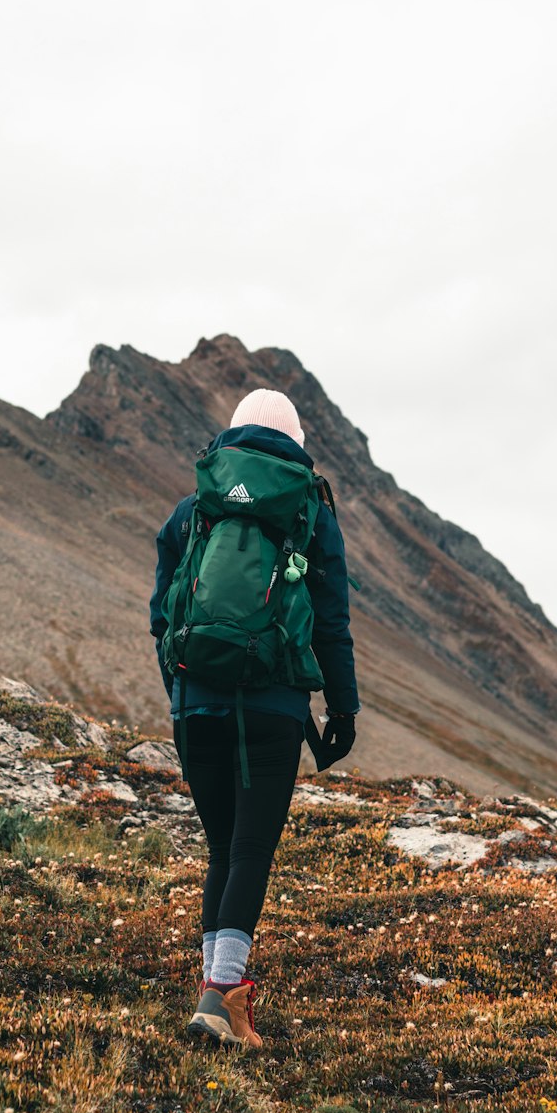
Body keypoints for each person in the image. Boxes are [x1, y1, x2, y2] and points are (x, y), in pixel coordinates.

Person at [149, 387, 359, 1049]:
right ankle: (220, 997)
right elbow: (331, 621)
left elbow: (162, 616)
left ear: (232, 436)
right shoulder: (308, 511)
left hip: (197, 703)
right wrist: (342, 708)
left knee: (223, 847)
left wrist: (181, 695)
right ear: (295, 442)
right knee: (250, 849)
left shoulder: (193, 510)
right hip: (272, 706)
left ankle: (216, 997)